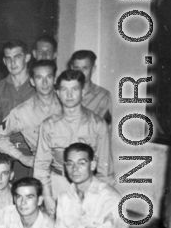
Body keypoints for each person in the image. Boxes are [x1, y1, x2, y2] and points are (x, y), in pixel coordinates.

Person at [34, 69, 112, 214]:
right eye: (64, 89)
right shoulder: (48, 125)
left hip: (88, 186)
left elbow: (104, 166)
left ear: (82, 92)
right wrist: (47, 196)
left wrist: (100, 197)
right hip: (58, 183)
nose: (69, 95)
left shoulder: (97, 124)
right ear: (57, 93)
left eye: (74, 89)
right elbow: (41, 166)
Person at [0, 59, 61, 175]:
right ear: (32, 81)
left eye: (48, 77)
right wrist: (22, 157)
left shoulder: (68, 106)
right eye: (39, 78)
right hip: (42, 171)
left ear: (55, 79)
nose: (44, 83)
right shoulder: (23, 112)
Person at [0, 40, 34, 179]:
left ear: (27, 57)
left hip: (32, 151)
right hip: (6, 151)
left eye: (17, 57)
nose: (13, 62)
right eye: (8, 58)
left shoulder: (37, 86)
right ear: (4, 61)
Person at [68, 50, 113, 125]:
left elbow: (106, 129)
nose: (80, 72)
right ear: (72, 68)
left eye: (85, 68)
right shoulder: (63, 93)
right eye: (77, 68)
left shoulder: (103, 96)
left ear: (93, 69)